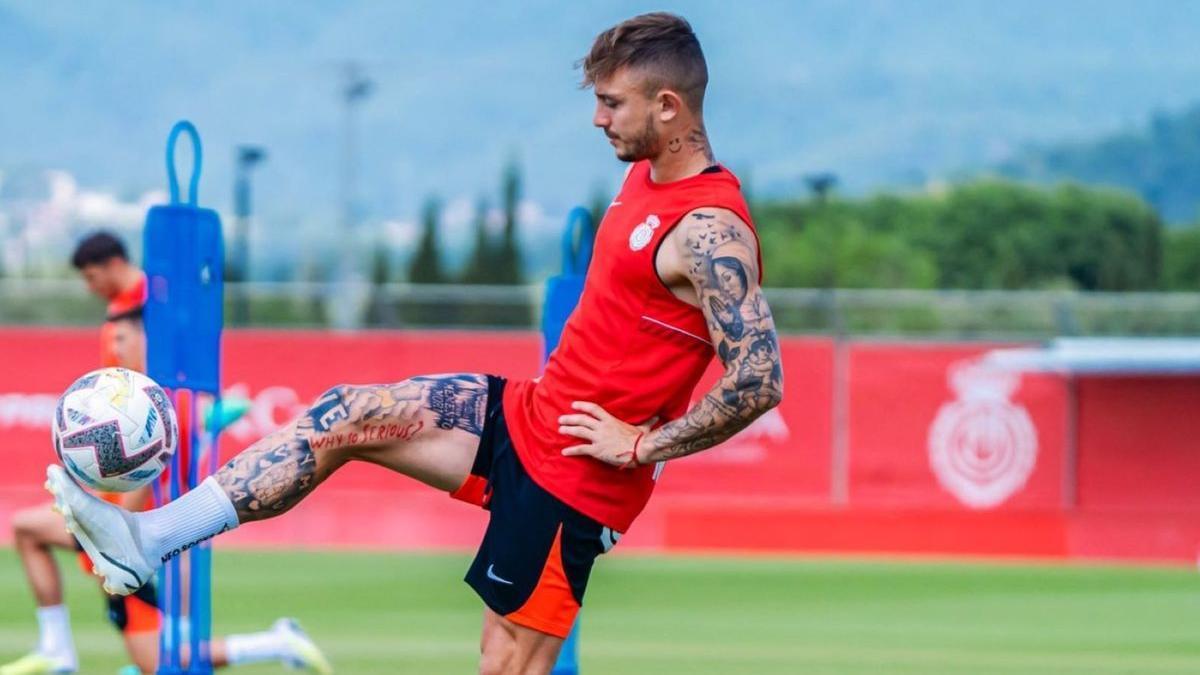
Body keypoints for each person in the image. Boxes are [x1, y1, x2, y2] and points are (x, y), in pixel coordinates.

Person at [47, 13, 784, 675]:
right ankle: (148, 538)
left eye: (612, 103)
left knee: (505, 664)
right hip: (530, 416)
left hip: (576, 479)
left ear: (668, 106)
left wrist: (642, 446)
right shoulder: (647, 178)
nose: (598, 118)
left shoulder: (709, 228)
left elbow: (759, 379)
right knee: (346, 413)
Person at [3, 234, 331, 674]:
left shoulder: (151, 337)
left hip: (131, 525)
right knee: (28, 530)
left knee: (157, 659)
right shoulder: (142, 355)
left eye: (123, 339)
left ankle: (274, 642)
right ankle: (57, 648)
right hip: (121, 515)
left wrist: (118, 526)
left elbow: (157, 469)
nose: (115, 347)